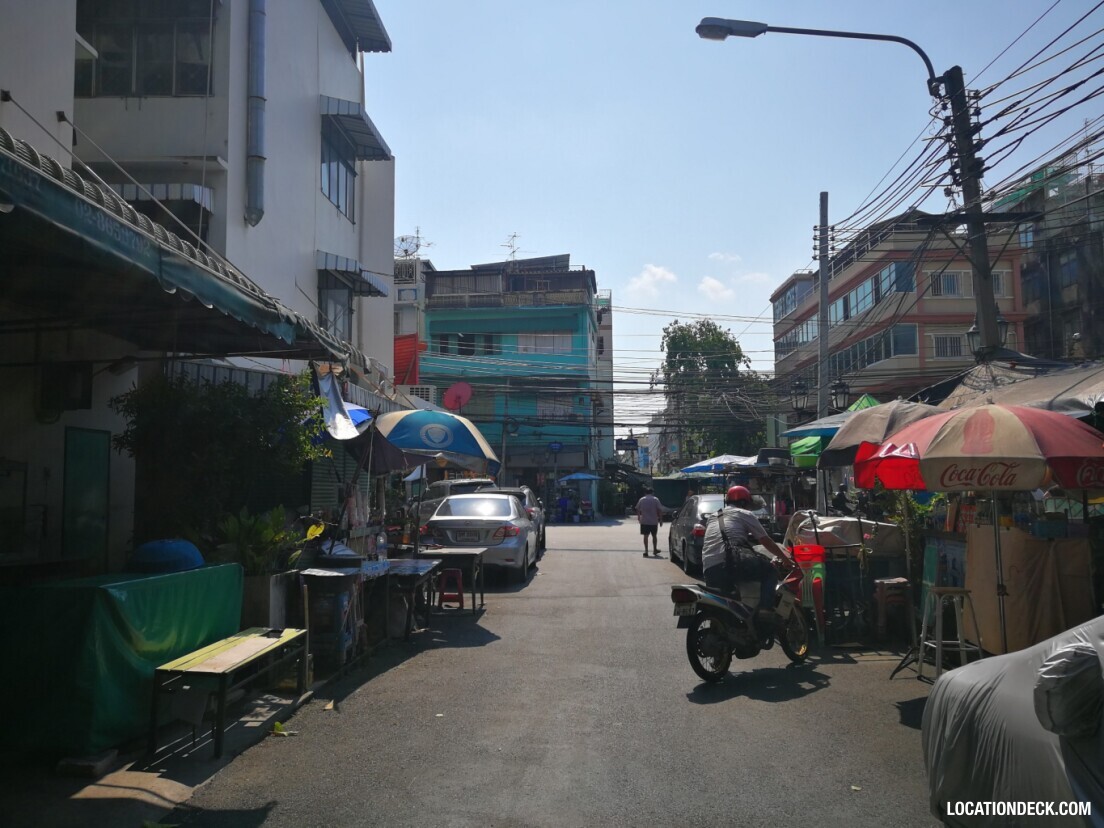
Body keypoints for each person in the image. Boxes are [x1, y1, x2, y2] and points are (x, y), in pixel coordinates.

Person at [701, 485, 792, 641]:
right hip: (731, 563)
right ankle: (764, 610)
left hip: (709, 567)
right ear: (744, 503)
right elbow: (765, 541)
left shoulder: (713, 517)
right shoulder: (744, 514)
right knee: (770, 571)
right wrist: (785, 559)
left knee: (728, 601)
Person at [635, 486, 663, 557]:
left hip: (644, 521)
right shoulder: (655, 499)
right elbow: (660, 510)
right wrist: (661, 519)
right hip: (654, 521)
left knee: (645, 536)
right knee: (654, 536)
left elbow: (637, 508)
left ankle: (646, 551)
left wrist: (639, 517)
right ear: (652, 492)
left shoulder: (642, 499)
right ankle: (654, 550)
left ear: (645, 493)